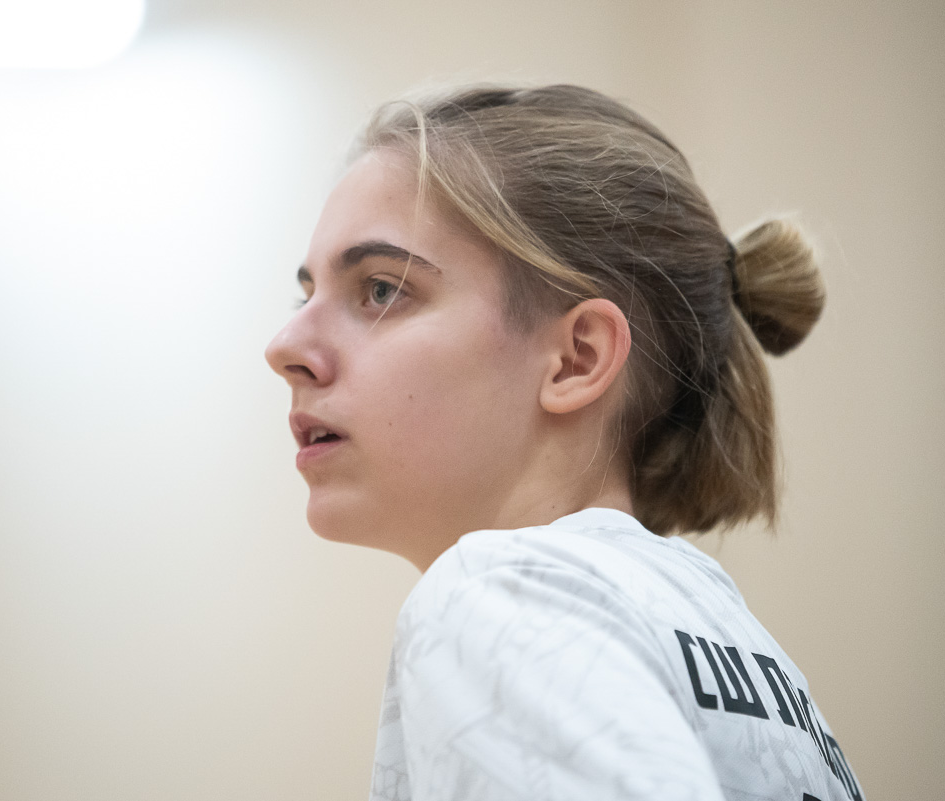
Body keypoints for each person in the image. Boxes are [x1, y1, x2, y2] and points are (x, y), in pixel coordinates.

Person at [265, 84, 865, 801]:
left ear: (577, 358)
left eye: (381, 289)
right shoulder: (758, 661)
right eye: (306, 294)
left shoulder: (499, 597)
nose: (285, 346)